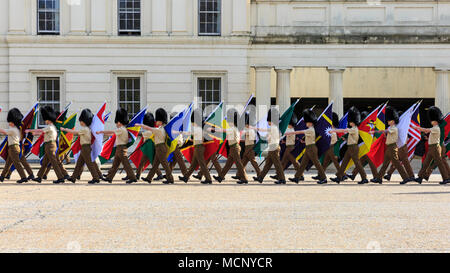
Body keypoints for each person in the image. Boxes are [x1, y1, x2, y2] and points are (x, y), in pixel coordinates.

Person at [370, 106, 410, 184]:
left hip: (392, 147)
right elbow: (386, 134)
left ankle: (405, 177)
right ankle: (379, 178)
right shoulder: (391, 128)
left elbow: (385, 131)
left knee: (397, 163)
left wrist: (374, 132)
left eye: (389, 120)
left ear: (393, 121)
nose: (388, 121)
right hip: (389, 147)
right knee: (385, 164)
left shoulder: (394, 128)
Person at [27, 106, 67, 184]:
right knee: (45, 162)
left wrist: (30, 130)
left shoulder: (50, 127)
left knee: (54, 162)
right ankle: (39, 177)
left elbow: (41, 130)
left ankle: (60, 177)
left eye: (45, 120)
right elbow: (41, 132)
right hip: (49, 146)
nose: (45, 121)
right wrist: (34, 133)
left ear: (48, 120)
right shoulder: (52, 127)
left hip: (50, 146)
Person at [97, 108, 137, 184]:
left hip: (121, 148)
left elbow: (112, 132)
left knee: (126, 164)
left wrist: (102, 132)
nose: (116, 124)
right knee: (115, 164)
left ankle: (133, 177)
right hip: (120, 148)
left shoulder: (121, 129)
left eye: (117, 122)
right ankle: (109, 177)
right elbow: (113, 134)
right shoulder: (123, 129)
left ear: (119, 122)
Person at [288, 109, 327, 184]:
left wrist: (292, 132)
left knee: (316, 163)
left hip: (311, 148)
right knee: (303, 164)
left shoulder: (311, 129)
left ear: (310, 123)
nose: (305, 123)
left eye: (307, 122)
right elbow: (309, 138)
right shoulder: (311, 129)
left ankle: (323, 178)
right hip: (309, 147)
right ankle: (297, 177)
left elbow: (301, 132)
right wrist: (304, 141)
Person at [330, 106, 369, 184]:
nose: (349, 122)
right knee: (344, 162)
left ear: (353, 121)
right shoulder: (353, 128)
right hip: (350, 147)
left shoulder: (354, 129)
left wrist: (334, 130)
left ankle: (364, 178)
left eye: (350, 121)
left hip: (353, 148)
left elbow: (344, 130)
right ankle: (339, 177)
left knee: (357, 163)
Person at [62, 109, 100, 184]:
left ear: (84, 121)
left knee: (89, 164)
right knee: (79, 164)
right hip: (84, 148)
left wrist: (65, 129)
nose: (80, 122)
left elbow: (75, 132)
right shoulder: (87, 129)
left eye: (81, 121)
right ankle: (73, 177)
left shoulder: (85, 129)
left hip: (86, 147)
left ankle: (96, 178)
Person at [413, 106, 450, 184]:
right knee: (426, 163)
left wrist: (417, 128)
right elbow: (427, 131)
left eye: (432, 121)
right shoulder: (435, 127)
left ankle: (446, 178)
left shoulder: (436, 128)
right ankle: (420, 177)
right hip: (431, 147)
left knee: (440, 163)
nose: (431, 122)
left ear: (436, 121)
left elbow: (426, 130)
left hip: (435, 147)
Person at [211, 108, 248, 184]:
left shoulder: (233, 128)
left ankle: (244, 178)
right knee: (228, 164)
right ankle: (221, 177)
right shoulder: (234, 128)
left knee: (239, 164)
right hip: (232, 148)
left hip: (234, 148)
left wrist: (215, 129)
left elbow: (223, 130)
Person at [137, 108, 174, 184]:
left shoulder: (159, 130)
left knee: (164, 164)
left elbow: (149, 128)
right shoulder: (161, 129)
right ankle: (149, 178)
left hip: (160, 147)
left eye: (157, 120)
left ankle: (170, 178)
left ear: (160, 121)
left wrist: (141, 125)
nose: (155, 122)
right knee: (155, 164)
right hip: (159, 147)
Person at [252, 108, 286, 184]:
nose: (268, 122)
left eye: (268, 121)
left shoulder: (273, 128)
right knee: (267, 164)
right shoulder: (275, 127)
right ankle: (260, 177)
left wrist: (255, 128)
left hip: (273, 147)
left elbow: (265, 133)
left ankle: (282, 179)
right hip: (273, 147)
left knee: (277, 164)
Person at [179, 108, 213, 184]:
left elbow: (189, 133)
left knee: (202, 164)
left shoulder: (198, 129)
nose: (192, 123)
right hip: (198, 147)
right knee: (193, 164)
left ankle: (208, 178)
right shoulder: (201, 128)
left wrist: (180, 132)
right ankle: (186, 177)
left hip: (199, 148)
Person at [0, 108, 29, 183]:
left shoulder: (13, 130)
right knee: (8, 164)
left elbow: (3, 131)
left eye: (10, 122)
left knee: (17, 163)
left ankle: (24, 177)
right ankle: (2, 176)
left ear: (13, 122)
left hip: (13, 148)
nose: (9, 123)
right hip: (13, 148)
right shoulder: (15, 129)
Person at [134, 112, 163, 180]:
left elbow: (144, 135)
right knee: (143, 162)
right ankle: (138, 175)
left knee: (151, 162)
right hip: (148, 147)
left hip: (149, 147)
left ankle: (159, 174)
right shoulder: (152, 129)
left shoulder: (148, 132)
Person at [271, 113, 300, 180]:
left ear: (290, 125)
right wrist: (284, 142)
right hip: (288, 147)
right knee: (285, 162)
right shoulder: (291, 130)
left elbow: (285, 134)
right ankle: (279, 174)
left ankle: (300, 174)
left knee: (293, 162)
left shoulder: (291, 130)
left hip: (290, 148)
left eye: (288, 124)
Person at [312, 112, 341, 180]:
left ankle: (342, 174)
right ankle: (320, 175)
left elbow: (334, 141)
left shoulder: (333, 131)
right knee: (324, 163)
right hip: (328, 148)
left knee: (335, 163)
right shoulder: (330, 129)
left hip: (331, 148)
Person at [233, 111, 261, 179]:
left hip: (250, 147)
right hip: (247, 146)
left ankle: (260, 174)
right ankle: (239, 174)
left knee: (253, 162)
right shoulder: (249, 129)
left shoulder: (251, 130)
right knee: (243, 161)